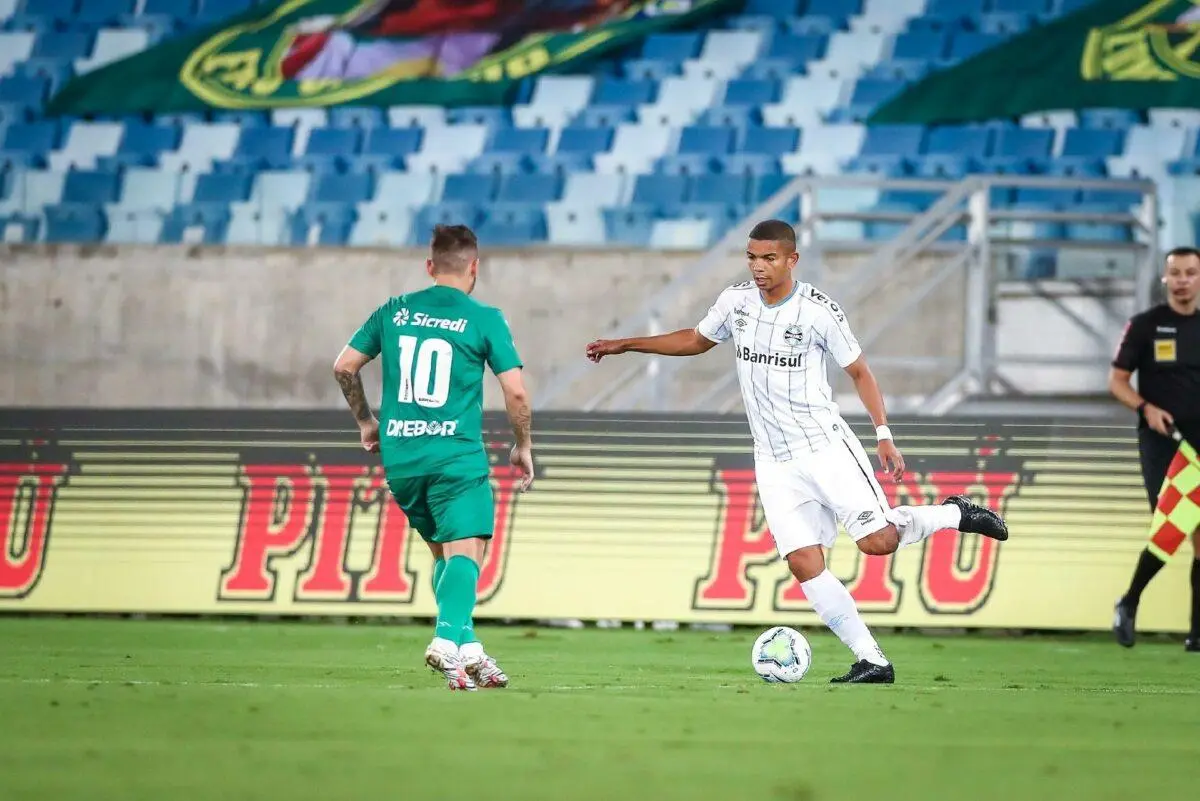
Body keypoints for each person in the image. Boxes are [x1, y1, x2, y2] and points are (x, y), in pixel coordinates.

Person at [584, 219, 1009, 684]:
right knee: (804, 563)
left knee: (878, 542)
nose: (758, 267)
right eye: (752, 257)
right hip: (773, 461)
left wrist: (883, 433)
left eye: (769, 258)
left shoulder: (818, 312)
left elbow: (860, 372)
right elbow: (696, 339)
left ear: (792, 260)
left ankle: (954, 513)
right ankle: (872, 660)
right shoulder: (735, 302)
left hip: (825, 448)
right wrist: (626, 344)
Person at [333, 224, 534, 690]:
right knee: (470, 550)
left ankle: (470, 649)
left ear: (430, 266)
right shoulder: (484, 318)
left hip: (402, 459)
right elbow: (516, 393)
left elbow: (343, 366)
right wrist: (522, 444)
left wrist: (366, 422)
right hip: (455, 456)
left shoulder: (393, 311)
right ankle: (445, 642)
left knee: (447, 554)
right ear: (474, 267)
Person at [1110, 246, 1200, 652]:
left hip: (1198, 445)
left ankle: (1196, 633)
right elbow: (1117, 382)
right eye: (1175, 273)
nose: (1182, 280)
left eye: (1190, 273)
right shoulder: (1145, 326)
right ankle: (1129, 602)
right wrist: (1146, 408)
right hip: (1163, 443)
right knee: (1171, 527)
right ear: (1165, 278)